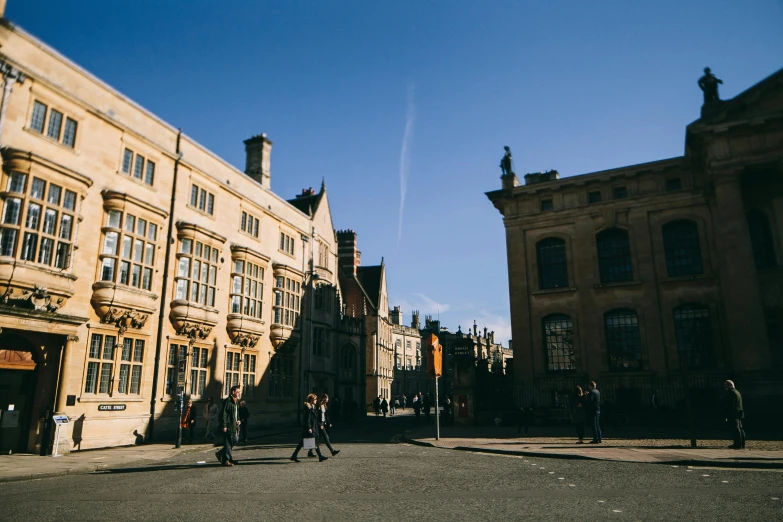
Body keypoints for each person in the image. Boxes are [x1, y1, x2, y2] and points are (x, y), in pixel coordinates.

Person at [290, 393, 328, 463]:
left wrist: (319, 424)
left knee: (302, 443)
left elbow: (315, 419)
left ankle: (294, 455)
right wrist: (309, 428)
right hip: (310, 428)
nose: (316, 400)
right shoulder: (308, 408)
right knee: (313, 441)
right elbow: (307, 419)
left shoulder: (313, 407)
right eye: (315, 399)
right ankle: (320, 456)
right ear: (311, 400)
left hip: (313, 427)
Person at [216, 385, 241, 466]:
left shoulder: (236, 401)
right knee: (228, 443)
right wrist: (224, 425)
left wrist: (238, 419)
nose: (239, 393)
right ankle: (226, 460)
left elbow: (236, 413)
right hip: (228, 425)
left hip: (234, 425)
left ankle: (220, 453)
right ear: (233, 392)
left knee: (235, 440)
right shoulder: (227, 401)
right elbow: (224, 414)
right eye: (237, 392)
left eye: (239, 392)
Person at [723, 380, 746, 450]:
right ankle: (742, 443)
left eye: (725, 385)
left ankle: (737, 444)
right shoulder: (737, 392)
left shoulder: (731, 393)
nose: (725, 387)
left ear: (729, 386)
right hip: (739, 412)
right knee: (740, 428)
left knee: (735, 429)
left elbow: (731, 404)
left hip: (733, 413)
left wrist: (727, 414)